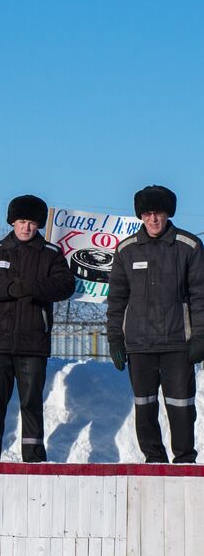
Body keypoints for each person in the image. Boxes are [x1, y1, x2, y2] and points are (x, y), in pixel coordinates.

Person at [0, 195, 75, 461]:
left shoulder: (51, 254)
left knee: (31, 403)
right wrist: (7, 288)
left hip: (33, 343)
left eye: (31, 222)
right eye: (21, 221)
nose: (26, 227)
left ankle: (34, 456)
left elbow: (65, 285)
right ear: (12, 222)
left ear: (38, 225)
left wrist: (33, 289)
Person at [106, 185, 204, 463]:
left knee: (181, 406)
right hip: (139, 344)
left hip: (177, 344)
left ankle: (184, 458)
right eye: (148, 214)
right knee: (144, 406)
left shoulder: (189, 246)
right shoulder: (126, 250)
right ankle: (153, 459)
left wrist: (200, 337)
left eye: (158, 213)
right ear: (140, 215)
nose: (153, 220)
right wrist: (115, 338)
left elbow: (200, 295)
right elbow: (116, 299)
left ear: (168, 213)